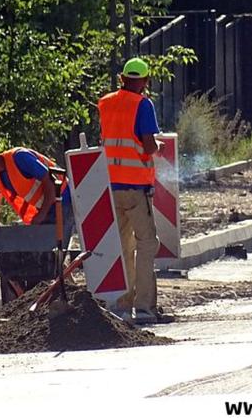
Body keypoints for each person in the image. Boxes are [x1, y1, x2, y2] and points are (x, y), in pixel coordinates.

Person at [98, 57, 164, 325]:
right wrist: (158, 146)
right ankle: (145, 308)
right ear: (145, 81)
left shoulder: (105, 102)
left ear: (122, 78)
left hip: (111, 186)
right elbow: (148, 146)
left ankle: (122, 306)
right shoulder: (143, 104)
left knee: (123, 247)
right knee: (147, 245)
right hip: (136, 187)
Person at [0, 146, 74, 248]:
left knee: (54, 247)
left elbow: (50, 182)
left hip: (63, 198)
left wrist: (41, 214)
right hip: (46, 205)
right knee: (44, 249)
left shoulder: (20, 158)